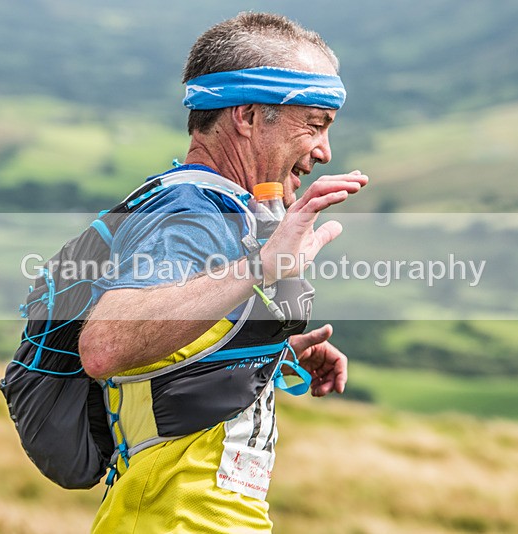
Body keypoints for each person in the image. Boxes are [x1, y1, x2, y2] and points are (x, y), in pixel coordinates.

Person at [79, 12, 368, 533]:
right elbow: (105, 346)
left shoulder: (224, 209)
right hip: (173, 517)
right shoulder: (191, 209)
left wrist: (262, 351)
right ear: (250, 115)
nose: (324, 151)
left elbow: (169, 347)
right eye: (315, 124)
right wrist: (263, 266)